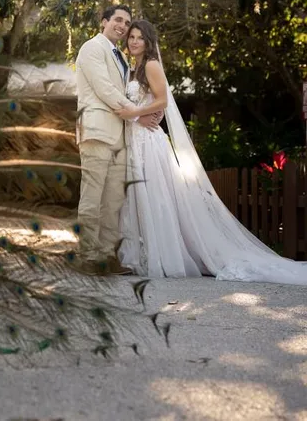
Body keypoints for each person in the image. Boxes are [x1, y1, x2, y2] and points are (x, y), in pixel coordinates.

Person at [115, 19, 307, 285]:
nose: (134, 41)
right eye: (132, 37)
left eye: (140, 37)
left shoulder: (150, 64)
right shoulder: (133, 67)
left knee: (157, 197)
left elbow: (162, 100)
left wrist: (134, 113)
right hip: (136, 138)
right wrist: (136, 117)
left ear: (148, 41)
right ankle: (146, 253)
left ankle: (168, 256)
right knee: (140, 197)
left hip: (149, 142)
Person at [74, 5, 161, 275]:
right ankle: (88, 257)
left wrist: (137, 115)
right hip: (97, 133)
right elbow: (105, 89)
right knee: (92, 197)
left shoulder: (122, 58)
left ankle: (107, 257)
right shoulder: (92, 48)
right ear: (104, 22)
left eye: (126, 22)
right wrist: (137, 116)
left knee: (113, 202)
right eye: (118, 20)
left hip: (121, 138)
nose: (123, 26)